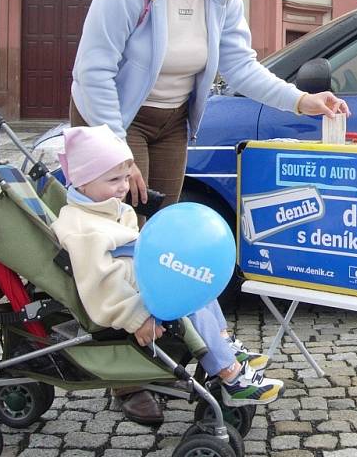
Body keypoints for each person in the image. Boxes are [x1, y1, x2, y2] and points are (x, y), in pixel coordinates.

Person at [68, 0, 349, 422]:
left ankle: (170, 353)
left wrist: (303, 100)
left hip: (171, 123)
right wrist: (113, 153)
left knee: (163, 246)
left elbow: (239, 66)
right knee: (124, 248)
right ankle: (126, 382)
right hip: (112, 122)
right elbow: (93, 72)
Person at [51, 126, 282, 422]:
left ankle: (223, 343)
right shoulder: (84, 229)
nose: (123, 187)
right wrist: (137, 317)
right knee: (188, 295)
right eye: (113, 180)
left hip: (147, 284)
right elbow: (100, 284)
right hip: (133, 303)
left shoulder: (106, 208)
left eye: (124, 177)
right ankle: (229, 373)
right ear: (82, 183)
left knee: (198, 280)